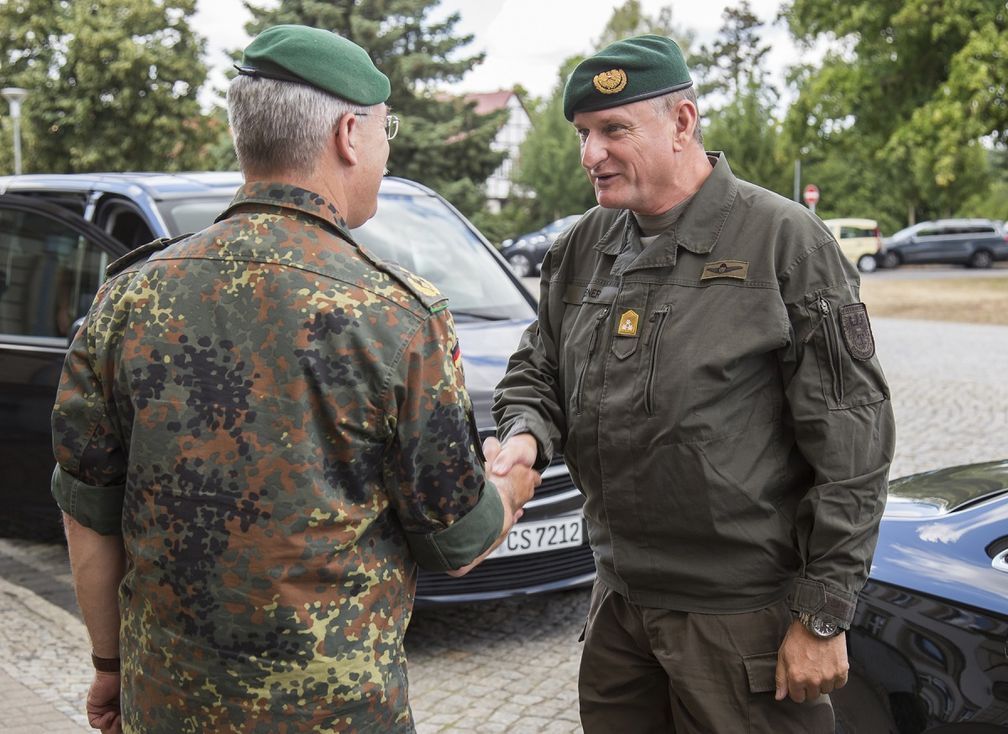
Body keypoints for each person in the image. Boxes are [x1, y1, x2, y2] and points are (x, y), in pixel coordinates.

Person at [51, 24, 537, 734]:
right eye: (385, 128)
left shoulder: (128, 296)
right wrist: (512, 486)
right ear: (348, 134)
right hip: (334, 715)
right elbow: (454, 540)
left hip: (166, 705)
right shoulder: (395, 313)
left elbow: (87, 511)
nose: (386, 145)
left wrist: (109, 667)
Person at [491, 35, 895, 733]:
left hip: (742, 623)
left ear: (682, 124)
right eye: (583, 134)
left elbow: (853, 441)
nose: (591, 155)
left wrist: (823, 615)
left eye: (614, 130)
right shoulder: (584, 246)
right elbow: (539, 365)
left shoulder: (784, 243)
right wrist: (524, 435)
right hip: (620, 611)